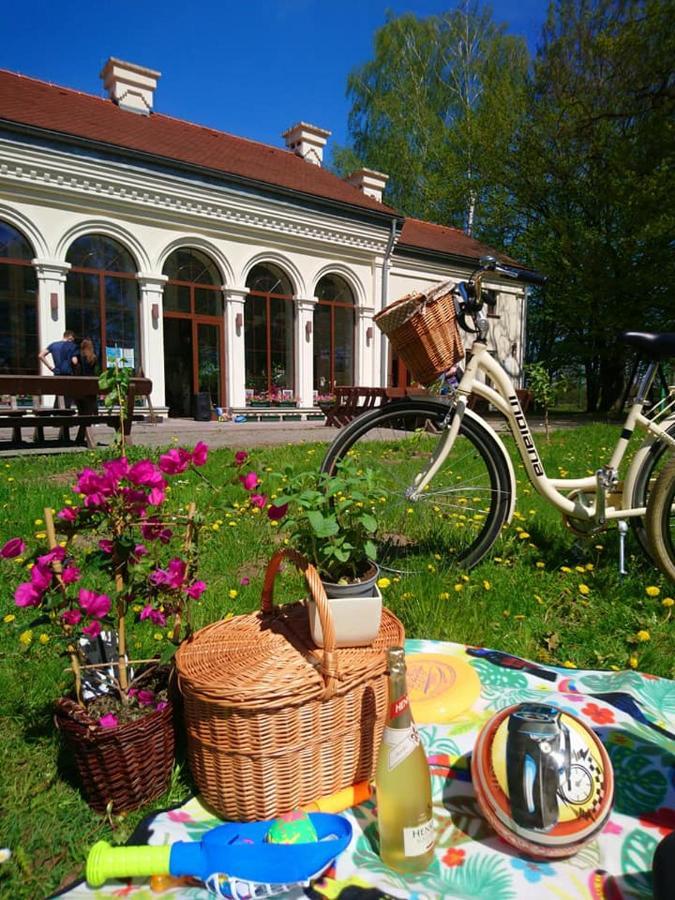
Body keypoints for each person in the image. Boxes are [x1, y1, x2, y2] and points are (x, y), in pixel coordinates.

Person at [38, 330, 78, 408]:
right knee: (67, 396)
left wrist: (50, 367)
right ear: (70, 337)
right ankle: (64, 416)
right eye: (73, 339)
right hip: (68, 374)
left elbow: (41, 355)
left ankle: (56, 414)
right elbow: (75, 361)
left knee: (58, 395)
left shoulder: (53, 345)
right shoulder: (72, 346)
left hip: (57, 373)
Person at [73, 338, 99, 415]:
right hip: (91, 383)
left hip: (80, 382)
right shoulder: (94, 357)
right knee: (91, 401)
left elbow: (74, 363)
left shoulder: (78, 355)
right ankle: (93, 416)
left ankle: (82, 420)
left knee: (81, 402)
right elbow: (96, 370)